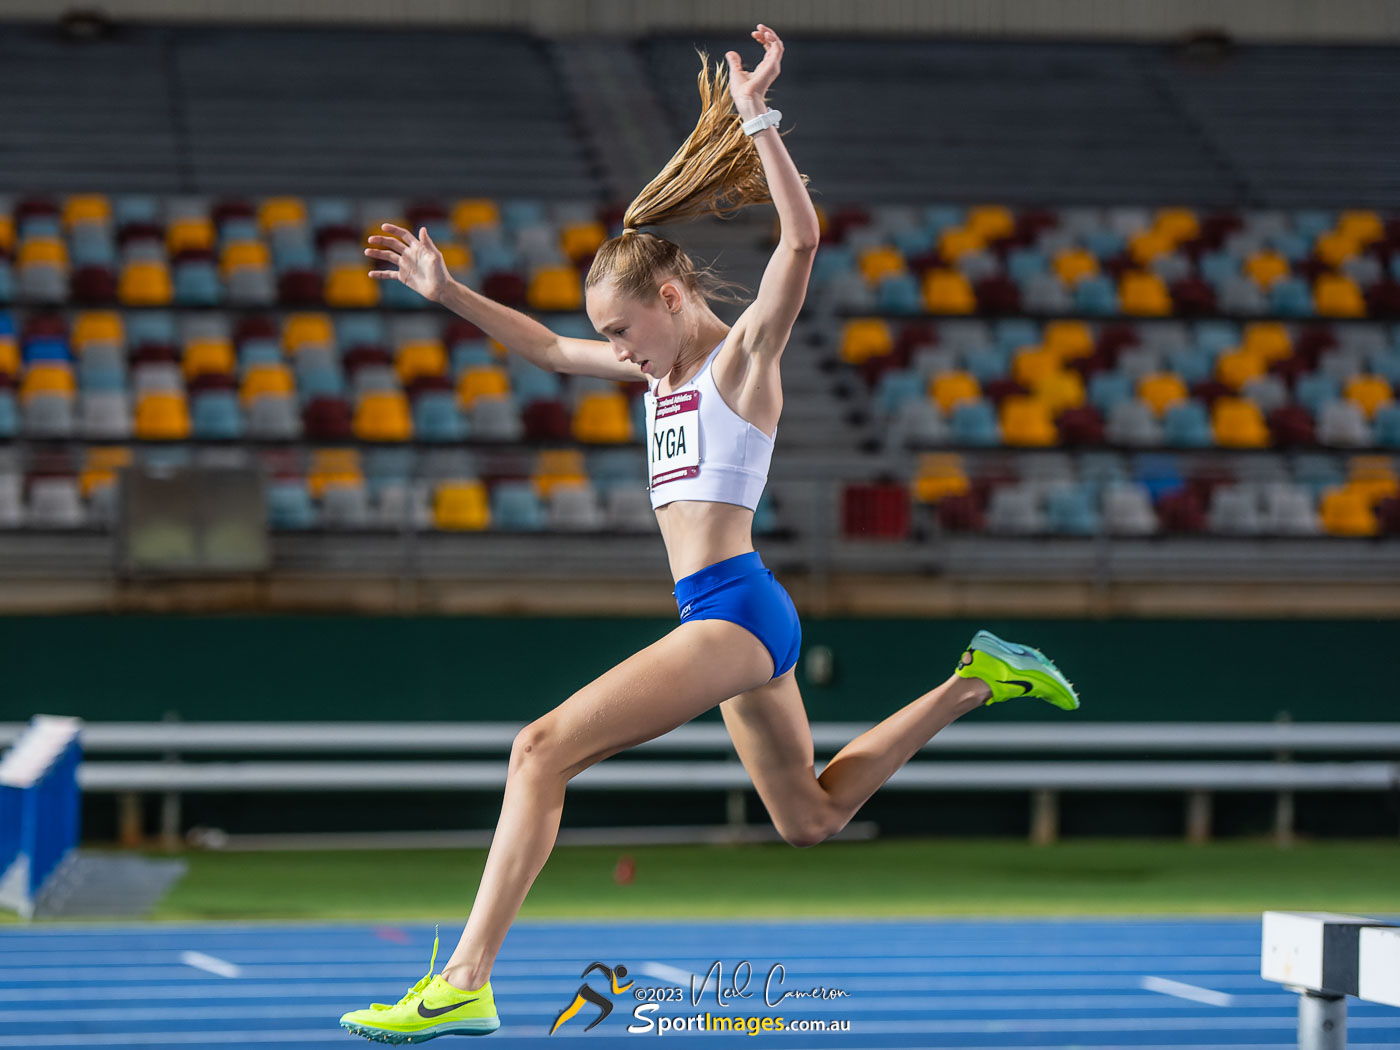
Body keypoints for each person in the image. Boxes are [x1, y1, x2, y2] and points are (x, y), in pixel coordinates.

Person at [340, 24, 1078, 1043]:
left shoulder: (736, 369)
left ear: (673, 299)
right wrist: (448, 292)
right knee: (810, 819)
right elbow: (552, 351)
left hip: (731, 612)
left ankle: (467, 975)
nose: (615, 351)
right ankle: (976, 678)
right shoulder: (657, 375)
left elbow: (800, 242)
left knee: (538, 751)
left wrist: (758, 119)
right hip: (737, 616)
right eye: (611, 338)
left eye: (623, 332)